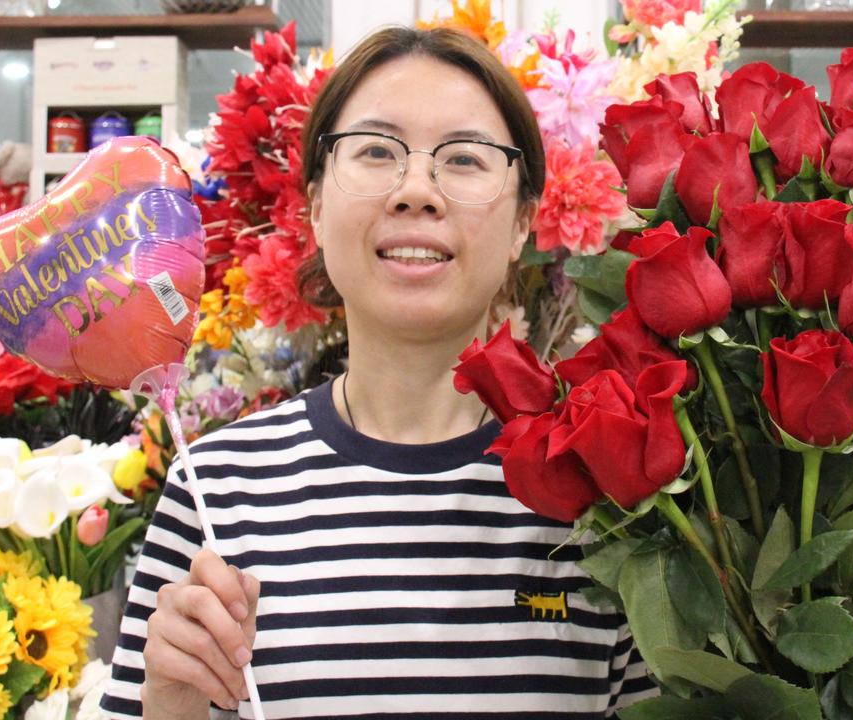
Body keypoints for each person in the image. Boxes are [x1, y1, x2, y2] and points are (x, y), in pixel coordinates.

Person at [100, 25, 658, 720]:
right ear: (315, 207)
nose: (416, 190)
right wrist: (170, 706)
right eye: (374, 151)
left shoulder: (608, 493)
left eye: (464, 158)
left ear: (523, 222)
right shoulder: (218, 490)